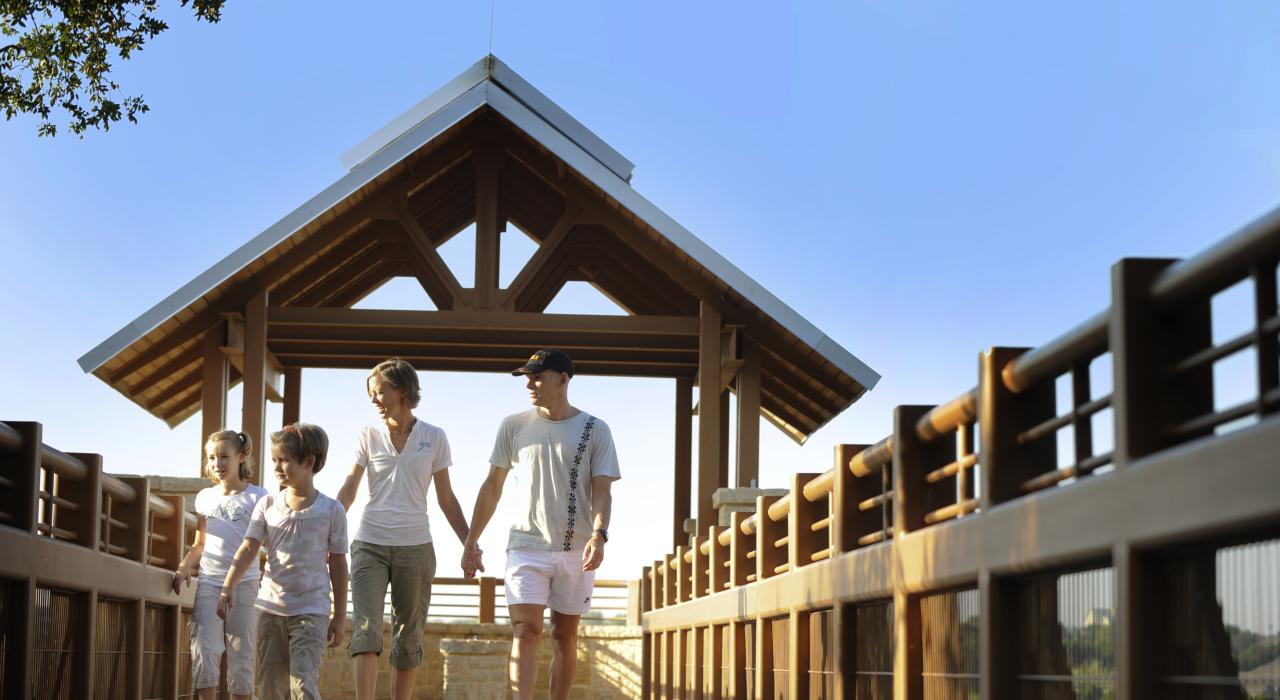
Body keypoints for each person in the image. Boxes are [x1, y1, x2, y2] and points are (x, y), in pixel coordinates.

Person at [461, 349, 621, 700]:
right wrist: (471, 540)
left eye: (537, 377)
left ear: (563, 379)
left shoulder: (595, 429)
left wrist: (599, 535)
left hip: (576, 549)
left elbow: (602, 491)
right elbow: (492, 486)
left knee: (564, 636)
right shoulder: (513, 425)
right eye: (527, 378)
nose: (529, 384)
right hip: (525, 546)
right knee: (526, 630)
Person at [337, 358, 471, 700]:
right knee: (366, 631)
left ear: (402, 390)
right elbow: (350, 488)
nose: (373, 399)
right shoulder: (368, 435)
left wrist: (469, 544)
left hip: (416, 548)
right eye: (371, 393)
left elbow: (446, 498)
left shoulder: (434, 437)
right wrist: (328, 528)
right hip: (369, 544)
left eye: (379, 391)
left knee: (408, 637)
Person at [218, 423, 348, 700]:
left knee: (302, 684)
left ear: (309, 461)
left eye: (284, 460)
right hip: (270, 610)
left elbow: (338, 566)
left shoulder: (331, 510)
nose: (276, 467)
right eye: (274, 460)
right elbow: (248, 548)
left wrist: (339, 616)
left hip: (311, 612)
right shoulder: (267, 505)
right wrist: (228, 586)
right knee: (271, 689)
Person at [172, 430, 268, 700]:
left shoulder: (259, 496)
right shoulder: (205, 497)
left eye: (224, 456)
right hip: (209, 583)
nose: (217, 463)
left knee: (241, 655)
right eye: (212, 458)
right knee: (203, 651)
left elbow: (263, 542)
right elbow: (200, 543)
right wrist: (183, 567)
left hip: (244, 586)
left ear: (241, 456)